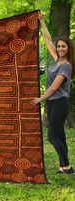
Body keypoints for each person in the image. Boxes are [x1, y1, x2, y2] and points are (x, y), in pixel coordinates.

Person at [31, 12, 75, 174]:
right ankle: (64, 166)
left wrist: (40, 99)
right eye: (59, 46)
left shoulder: (66, 66)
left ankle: (67, 167)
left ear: (69, 48)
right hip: (53, 102)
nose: (60, 48)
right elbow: (48, 40)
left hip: (60, 103)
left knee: (52, 136)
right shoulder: (58, 60)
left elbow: (55, 87)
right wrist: (42, 21)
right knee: (60, 136)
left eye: (64, 46)